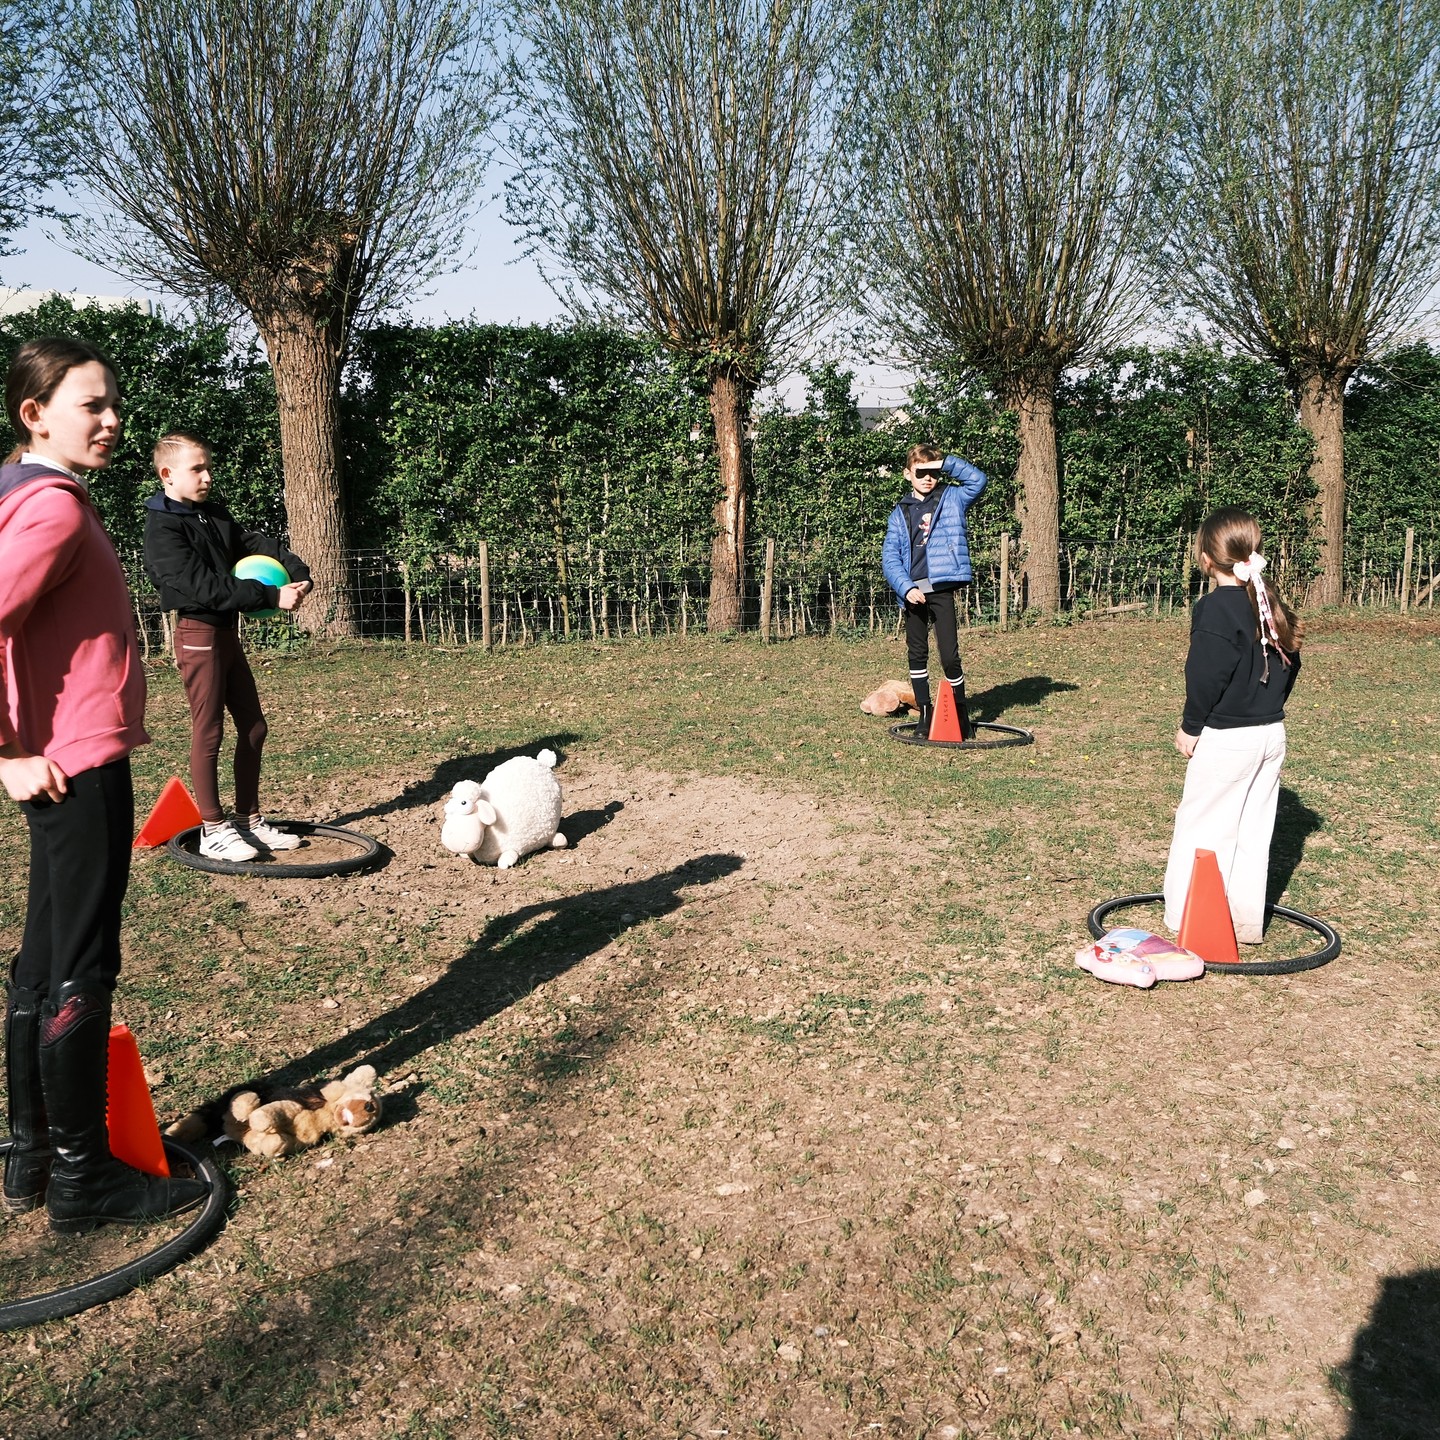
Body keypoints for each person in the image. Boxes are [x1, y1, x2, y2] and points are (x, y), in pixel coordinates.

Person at [1, 336, 207, 1232]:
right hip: (78, 767)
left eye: (113, 402)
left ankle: (28, 1154)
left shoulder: (22, 494)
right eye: (92, 404)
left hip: (61, 763)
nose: (113, 418)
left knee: (43, 961)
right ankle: (87, 1183)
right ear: (35, 413)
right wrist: (4, 753)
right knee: (82, 967)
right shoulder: (48, 510)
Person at [143, 432, 312, 861]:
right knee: (209, 731)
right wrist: (271, 597)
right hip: (198, 636)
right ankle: (214, 827)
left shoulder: (212, 516)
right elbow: (203, 587)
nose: (207, 477)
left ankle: (248, 821)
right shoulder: (162, 528)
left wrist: (296, 569)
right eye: (197, 469)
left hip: (226, 636)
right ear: (167, 474)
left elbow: (254, 543)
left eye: (208, 467)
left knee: (254, 727)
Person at [1162, 507, 1303, 943]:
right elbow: (1291, 661)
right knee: (1252, 831)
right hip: (1270, 735)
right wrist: (1267, 703)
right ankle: (1242, 922)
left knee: (1202, 825)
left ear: (1206, 559)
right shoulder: (1266, 601)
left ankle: (1189, 918)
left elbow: (1205, 674)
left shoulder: (1214, 609)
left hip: (1227, 738)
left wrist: (1191, 725)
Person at [881, 444, 988, 739]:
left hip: (941, 587)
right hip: (914, 590)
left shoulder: (952, 497)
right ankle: (925, 714)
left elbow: (978, 481)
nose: (928, 478)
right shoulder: (899, 513)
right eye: (921, 472)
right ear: (907, 474)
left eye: (933, 472)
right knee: (917, 653)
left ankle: (960, 712)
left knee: (950, 655)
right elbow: (889, 557)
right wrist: (906, 587)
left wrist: (946, 463)